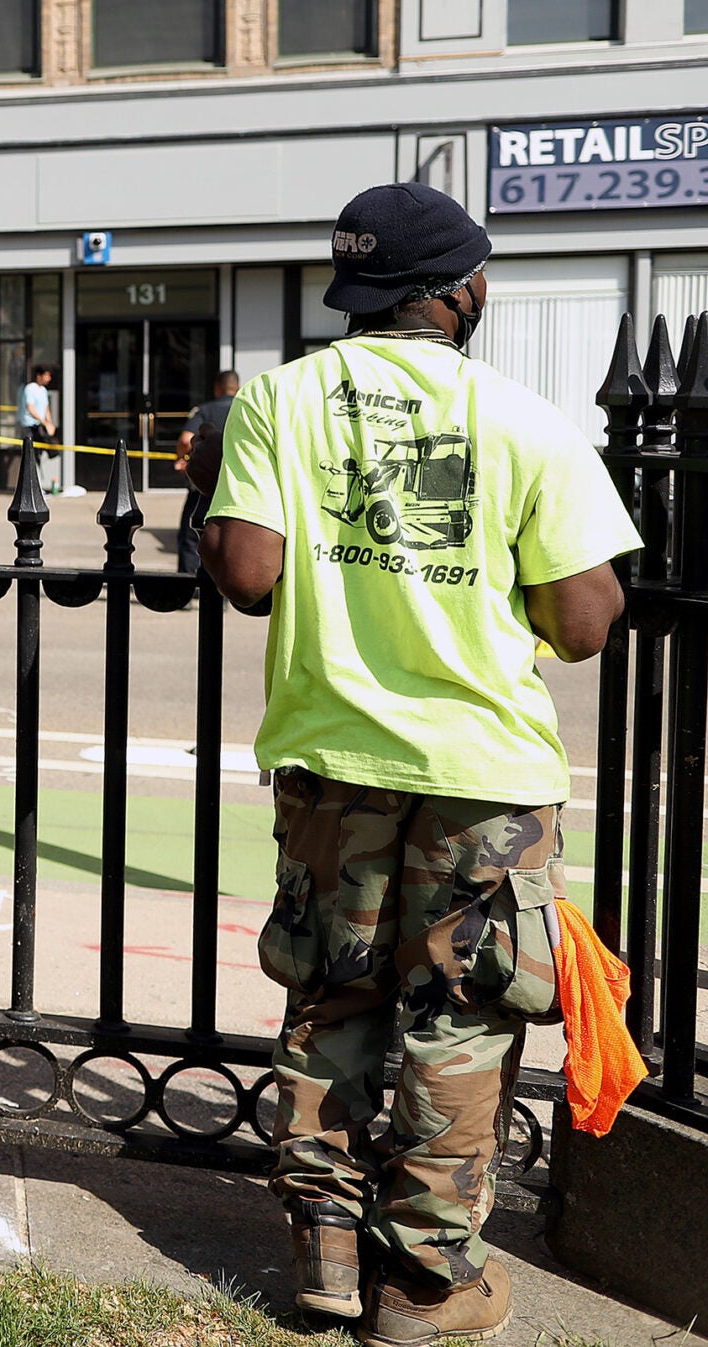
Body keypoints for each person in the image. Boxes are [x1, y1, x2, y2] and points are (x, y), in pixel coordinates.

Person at [195, 183, 635, 1347]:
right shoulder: (522, 419)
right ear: (458, 293)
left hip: (332, 759)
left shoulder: (278, 401)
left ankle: (325, 1258)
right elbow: (587, 623)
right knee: (463, 1013)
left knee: (331, 996)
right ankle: (426, 1285)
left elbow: (244, 575)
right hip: (483, 771)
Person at [173, 369, 240, 574]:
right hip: (234, 483)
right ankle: (222, 592)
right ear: (237, 387)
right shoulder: (245, 408)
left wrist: (185, 459)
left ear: (217, 387)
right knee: (229, 537)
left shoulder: (205, 410)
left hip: (203, 483)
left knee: (191, 534)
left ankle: (188, 587)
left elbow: (186, 439)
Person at [21, 362, 64, 493]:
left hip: (40, 426)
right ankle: (32, 487)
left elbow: (46, 408)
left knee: (47, 451)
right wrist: (44, 422)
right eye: (46, 375)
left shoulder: (43, 390)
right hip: (30, 426)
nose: (49, 378)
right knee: (31, 455)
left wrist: (49, 423)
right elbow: (30, 408)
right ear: (39, 376)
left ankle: (40, 484)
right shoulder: (30, 388)